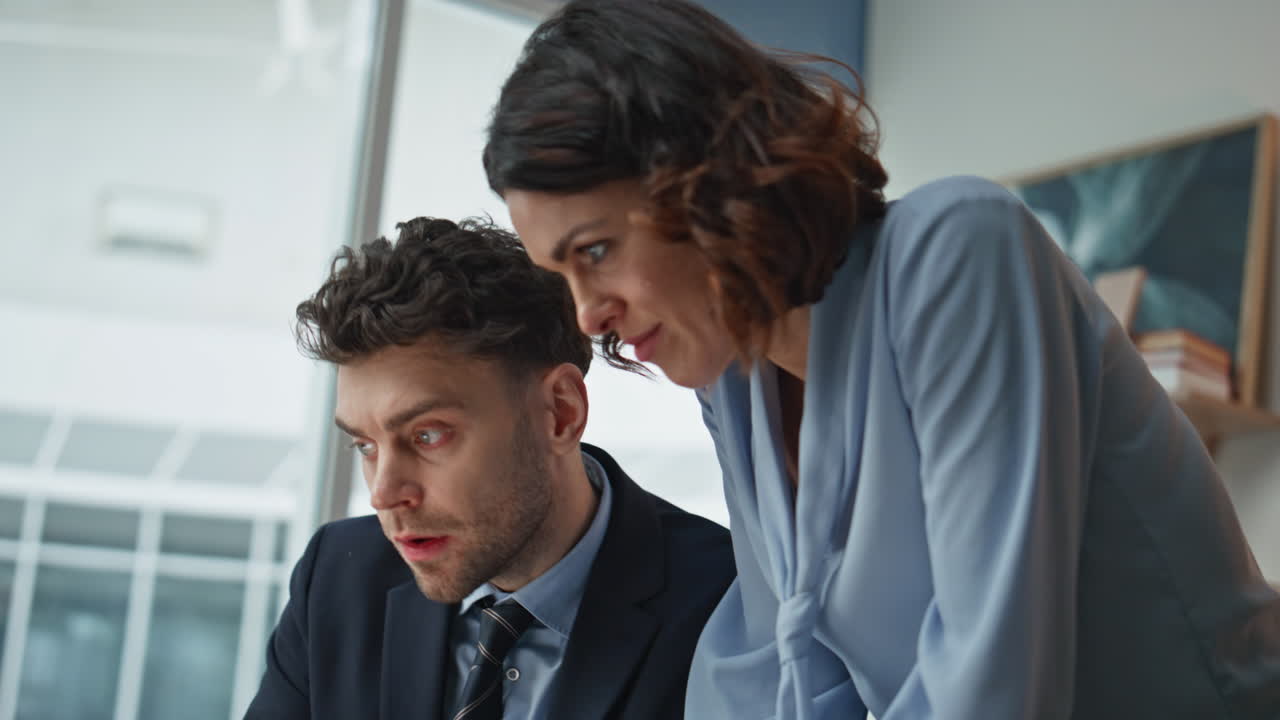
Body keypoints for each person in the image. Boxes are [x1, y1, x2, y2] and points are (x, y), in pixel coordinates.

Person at [482, 1, 1280, 718]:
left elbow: (994, 684)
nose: (588, 314)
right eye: (563, 276)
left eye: (596, 250)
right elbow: (767, 673)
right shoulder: (738, 382)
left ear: (704, 178)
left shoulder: (959, 250)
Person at [244, 217, 735, 719]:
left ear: (559, 413)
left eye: (427, 435)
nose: (384, 493)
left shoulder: (728, 603)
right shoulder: (338, 578)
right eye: (365, 446)